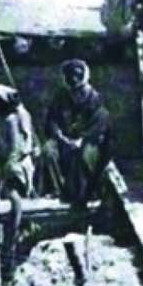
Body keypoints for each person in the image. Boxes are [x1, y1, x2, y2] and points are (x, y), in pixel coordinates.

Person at [41, 58, 114, 207]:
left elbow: (101, 124)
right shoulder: (60, 97)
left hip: (90, 142)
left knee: (83, 155)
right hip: (64, 139)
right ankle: (58, 189)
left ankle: (83, 196)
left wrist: (82, 140)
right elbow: (51, 119)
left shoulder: (95, 98)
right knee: (48, 151)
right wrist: (59, 134)